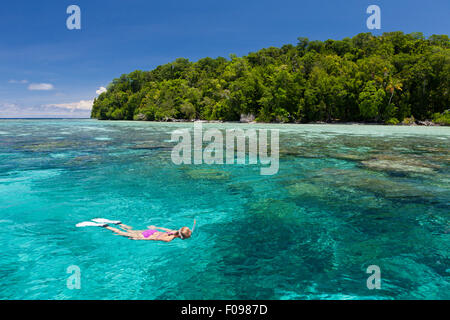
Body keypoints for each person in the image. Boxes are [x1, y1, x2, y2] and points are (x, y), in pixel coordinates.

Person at [76, 218, 195, 242]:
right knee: (123, 234)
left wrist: (155, 228)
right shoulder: (170, 239)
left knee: (131, 229)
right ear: (181, 237)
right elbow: (155, 238)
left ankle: (118, 222)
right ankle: (104, 226)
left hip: (151, 231)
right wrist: (140, 238)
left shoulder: (173, 230)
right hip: (149, 235)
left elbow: (162, 230)